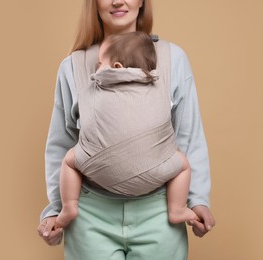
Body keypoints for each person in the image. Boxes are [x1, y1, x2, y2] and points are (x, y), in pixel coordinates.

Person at [37, 0, 215, 259]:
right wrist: (55, 211)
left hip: (160, 213)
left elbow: (189, 135)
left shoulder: (172, 58)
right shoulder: (72, 66)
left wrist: (198, 200)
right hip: (90, 218)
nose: (118, 0)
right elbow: (61, 143)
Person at [54, 31, 199, 230]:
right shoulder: (159, 83)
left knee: (69, 161)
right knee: (183, 164)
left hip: (98, 171)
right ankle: (177, 209)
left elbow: (61, 139)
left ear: (117, 67)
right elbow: (186, 133)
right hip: (155, 174)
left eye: (99, 64)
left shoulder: (94, 86)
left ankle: (69, 207)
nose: (97, 69)